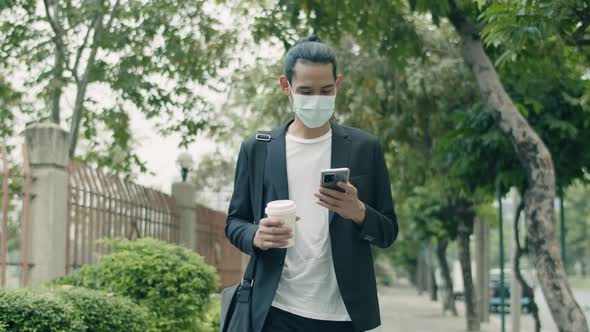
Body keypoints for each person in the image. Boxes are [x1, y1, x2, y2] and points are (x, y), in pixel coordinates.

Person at [225, 36, 398, 332]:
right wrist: (256, 235)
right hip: (274, 310)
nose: (316, 99)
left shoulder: (364, 148)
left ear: (338, 84)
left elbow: (388, 232)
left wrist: (358, 211)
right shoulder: (258, 149)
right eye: (305, 91)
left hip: (342, 314)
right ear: (286, 86)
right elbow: (234, 222)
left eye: (326, 90)